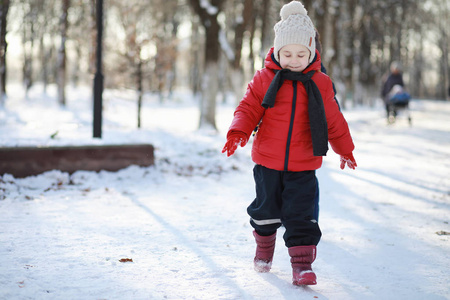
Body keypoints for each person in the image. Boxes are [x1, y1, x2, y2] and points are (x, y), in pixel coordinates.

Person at [222, 1, 356, 286]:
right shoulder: (264, 79)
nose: (293, 60)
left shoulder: (320, 83)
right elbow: (248, 108)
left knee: (302, 215)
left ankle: (302, 266)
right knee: (266, 212)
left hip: (304, 163)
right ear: (277, 51)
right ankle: (264, 248)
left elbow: (334, 120)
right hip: (267, 161)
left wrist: (346, 149)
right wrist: (238, 132)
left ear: (311, 53)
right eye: (287, 53)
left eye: (300, 54)